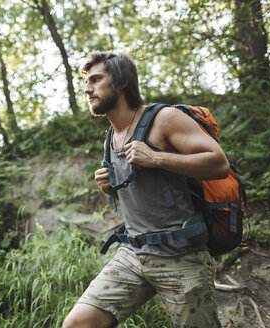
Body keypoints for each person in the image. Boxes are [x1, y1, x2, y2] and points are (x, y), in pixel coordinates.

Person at [62, 51, 229, 328]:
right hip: (134, 253)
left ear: (122, 81)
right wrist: (111, 188)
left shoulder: (163, 118)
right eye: (86, 81)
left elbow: (219, 163)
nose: (87, 88)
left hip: (181, 255)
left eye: (96, 79)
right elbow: (148, 189)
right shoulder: (112, 135)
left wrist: (156, 157)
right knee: (77, 324)